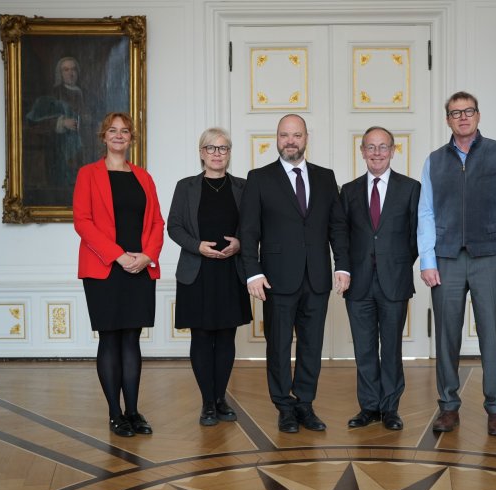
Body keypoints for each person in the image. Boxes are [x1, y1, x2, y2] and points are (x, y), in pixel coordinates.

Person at [418, 92, 496, 436]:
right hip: (446, 258)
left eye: (468, 111)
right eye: (455, 113)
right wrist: (427, 259)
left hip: (491, 256)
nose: (463, 117)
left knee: (493, 335)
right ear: (447, 120)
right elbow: (425, 212)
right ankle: (448, 407)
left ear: (478, 116)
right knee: (446, 336)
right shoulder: (434, 161)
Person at [239, 114, 350, 433]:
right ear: (277, 139)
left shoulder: (326, 178)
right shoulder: (259, 178)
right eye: (284, 135)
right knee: (278, 345)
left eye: (297, 135)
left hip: (317, 277)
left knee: (311, 345)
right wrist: (252, 272)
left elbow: (337, 226)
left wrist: (342, 265)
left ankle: (304, 404)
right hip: (276, 278)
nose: (290, 141)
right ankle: (284, 407)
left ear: (306, 139)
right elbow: (248, 230)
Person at [73, 112, 164, 438]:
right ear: (103, 136)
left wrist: (147, 256)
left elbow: (157, 222)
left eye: (125, 131)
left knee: (132, 339)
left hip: (139, 267)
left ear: (131, 138)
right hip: (104, 270)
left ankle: (133, 412)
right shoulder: (88, 174)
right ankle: (115, 413)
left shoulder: (143, 177)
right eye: (112, 130)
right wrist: (118, 256)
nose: (119, 135)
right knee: (110, 338)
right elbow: (83, 222)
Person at [167, 128, 251, 426]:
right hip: (197, 272)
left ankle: (220, 399)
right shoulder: (186, 187)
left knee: (226, 337)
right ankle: (207, 403)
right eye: (211, 148)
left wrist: (240, 243)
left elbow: (254, 226)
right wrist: (197, 246)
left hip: (231, 271)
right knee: (202, 337)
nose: (217, 153)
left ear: (229, 153)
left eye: (223, 148)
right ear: (201, 153)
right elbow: (174, 226)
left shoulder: (243, 187)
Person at [340, 127, 420, 431]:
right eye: (371, 147)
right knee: (364, 349)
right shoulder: (348, 191)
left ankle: (390, 408)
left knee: (391, 348)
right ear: (362, 151)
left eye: (383, 147)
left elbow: (417, 236)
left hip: (394, 281)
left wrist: (398, 263)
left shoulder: (410, 188)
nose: (377, 153)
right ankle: (369, 407)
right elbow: (342, 236)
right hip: (358, 283)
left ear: (393, 151)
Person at [26, 57, 98, 190]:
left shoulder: (87, 94)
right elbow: (33, 123)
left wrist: (90, 121)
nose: (71, 73)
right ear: (60, 74)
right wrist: (61, 123)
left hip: (86, 152)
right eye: (66, 70)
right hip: (60, 155)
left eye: (73, 69)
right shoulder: (52, 95)